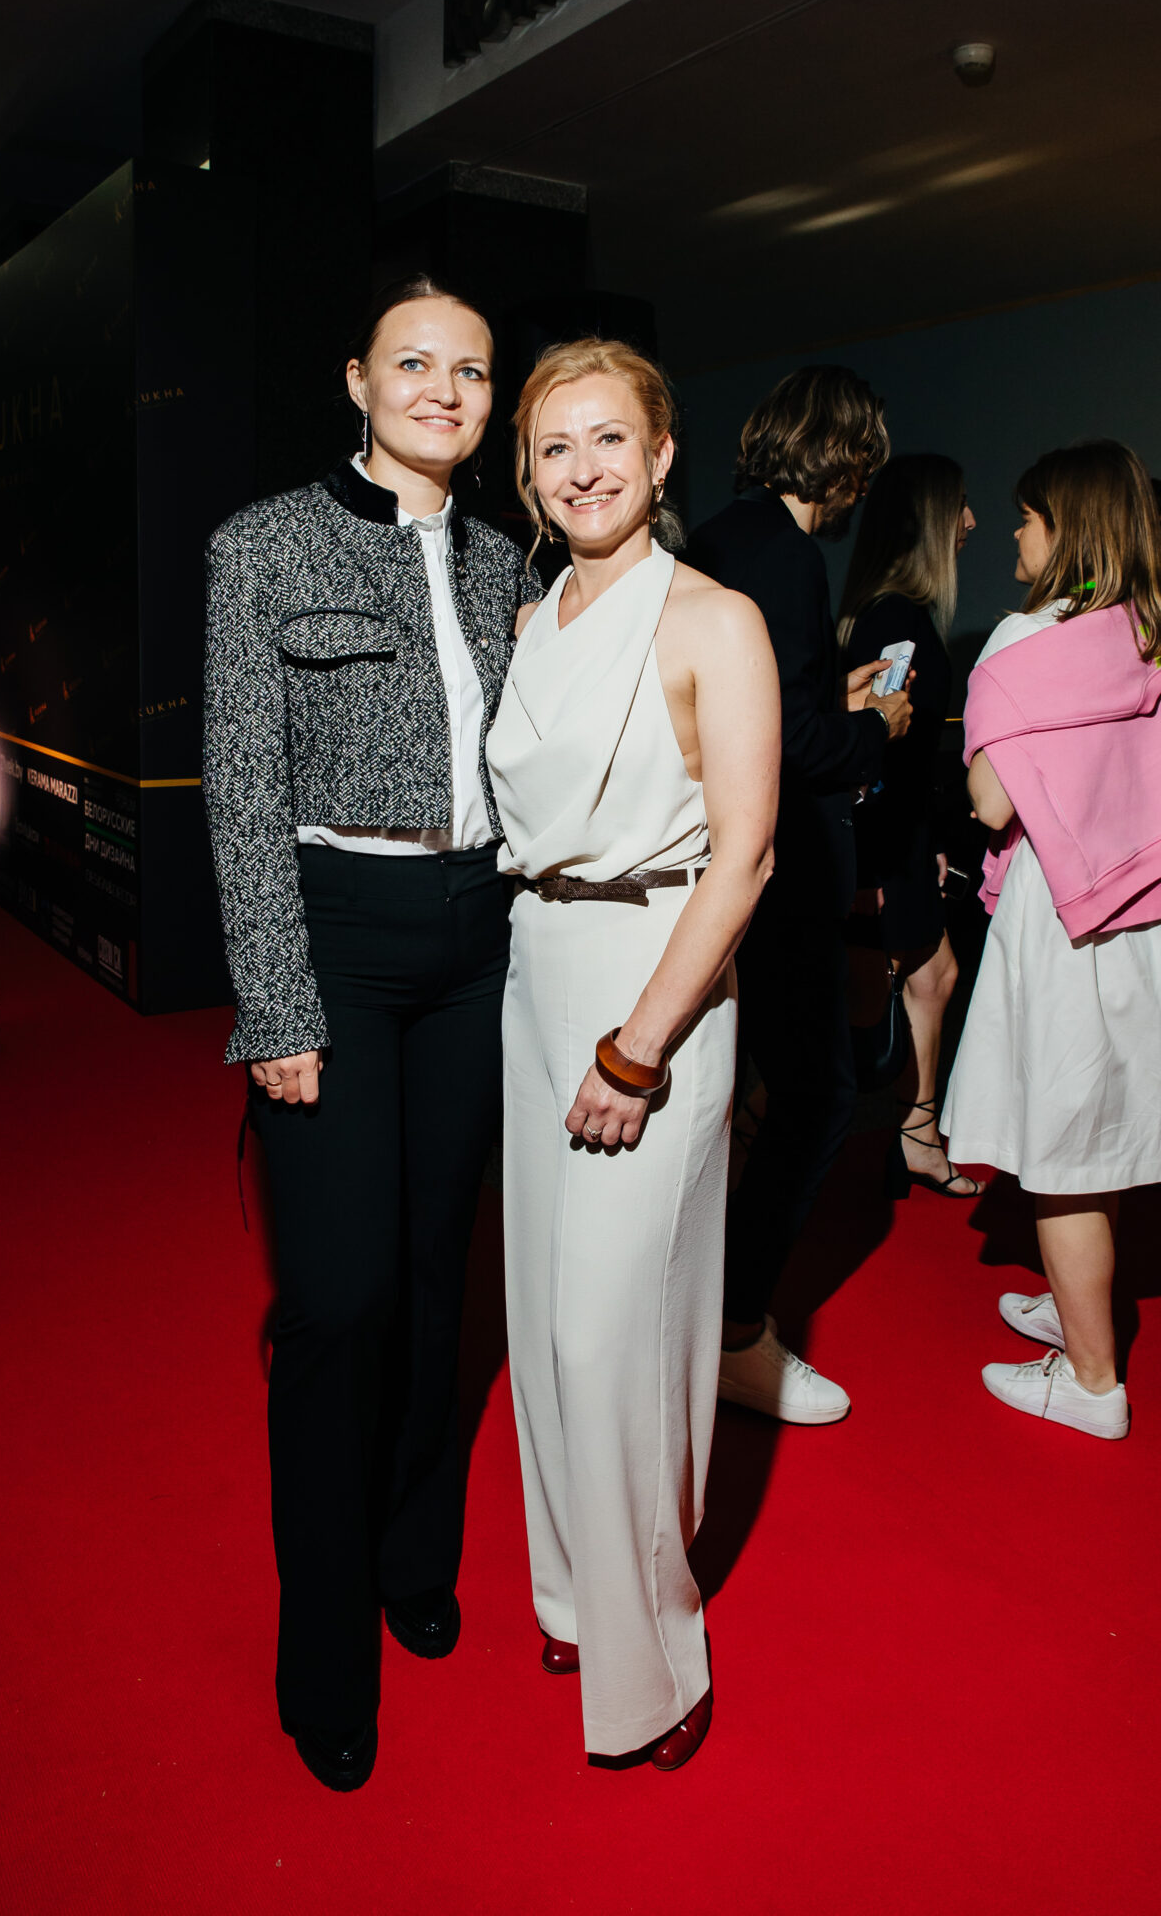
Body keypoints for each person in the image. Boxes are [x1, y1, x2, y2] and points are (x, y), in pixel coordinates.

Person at [203, 275, 541, 1790]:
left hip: (478, 941)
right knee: (335, 1304)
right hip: (335, 935)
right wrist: (276, 1001)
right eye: (414, 363)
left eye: (469, 371)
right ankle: (324, 1647)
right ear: (357, 379)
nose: (442, 391)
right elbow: (239, 790)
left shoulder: (505, 558)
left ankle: (415, 1555)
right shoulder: (261, 546)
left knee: (431, 1280)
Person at [487, 339, 779, 1767]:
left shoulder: (714, 618)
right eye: (555, 447)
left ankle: (656, 1657)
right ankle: (569, 1592)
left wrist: (639, 1049)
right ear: (527, 475)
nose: (583, 469)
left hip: (654, 984)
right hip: (534, 973)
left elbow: (747, 857)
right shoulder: (529, 619)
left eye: (610, 439)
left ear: (662, 456)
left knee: (619, 1336)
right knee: (545, 1324)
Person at [687, 366, 910, 1425]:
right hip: (776, 872)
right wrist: (875, 727)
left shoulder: (725, 536)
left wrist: (832, 693)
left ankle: (707, 1308)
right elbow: (799, 746)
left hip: (719, 862)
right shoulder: (786, 555)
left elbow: (765, 700)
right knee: (818, 1097)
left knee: (740, 1097)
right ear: (846, 454)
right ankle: (734, 1332)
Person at [942, 440, 1161, 1439]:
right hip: (1142, 906)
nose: (1013, 534)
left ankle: (1090, 1380)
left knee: (1064, 1148)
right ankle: (1078, 1309)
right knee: (1099, 1125)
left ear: (1063, 526)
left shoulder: (1025, 638)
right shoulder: (1149, 631)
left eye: (1026, 518)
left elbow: (990, 805)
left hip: (1063, 912)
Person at [838, 454, 980, 1199]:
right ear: (928, 519)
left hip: (901, 840)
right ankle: (755, 1129)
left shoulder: (901, 614)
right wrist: (877, 868)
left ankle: (917, 1136)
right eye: (960, 507)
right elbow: (875, 749)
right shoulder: (897, 619)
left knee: (932, 976)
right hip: (880, 847)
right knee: (858, 1014)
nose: (972, 522)